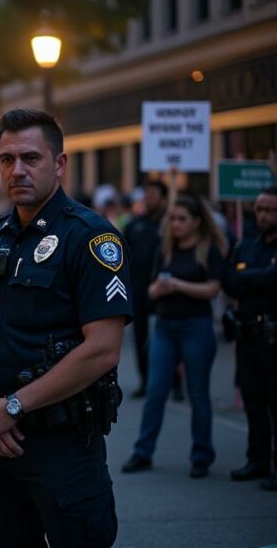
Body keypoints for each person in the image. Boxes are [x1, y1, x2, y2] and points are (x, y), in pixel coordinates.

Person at [0, 109, 131, 548]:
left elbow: (103, 348)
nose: (18, 170)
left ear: (60, 163)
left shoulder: (90, 238)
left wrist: (11, 407)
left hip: (62, 444)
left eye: (31, 158)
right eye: (7, 159)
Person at [122, 194, 226, 479]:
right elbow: (152, 289)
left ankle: (201, 456)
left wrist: (178, 285)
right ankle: (143, 452)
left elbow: (213, 289)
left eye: (182, 219)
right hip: (165, 327)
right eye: (173, 219)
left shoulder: (208, 250)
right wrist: (158, 289)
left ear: (196, 222)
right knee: (155, 391)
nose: (176, 224)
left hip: (196, 326)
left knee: (197, 393)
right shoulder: (165, 248)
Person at [222, 185, 277, 490]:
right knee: (253, 403)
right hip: (247, 336)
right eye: (260, 209)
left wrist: (248, 277)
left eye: (270, 210)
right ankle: (257, 460)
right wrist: (259, 277)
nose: (263, 215)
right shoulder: (247, 245)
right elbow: (229, 281)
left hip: (272, 334)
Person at [124, 180, 168, 398]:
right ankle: (145, 382)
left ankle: (175, 384)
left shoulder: (170, 225)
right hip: (139, 291)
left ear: (163, 197)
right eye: (147, 194)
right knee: (141, 338)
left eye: (154, 194)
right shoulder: (135, 225)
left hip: (165, 291)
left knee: (167, 339)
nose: (149, 198)